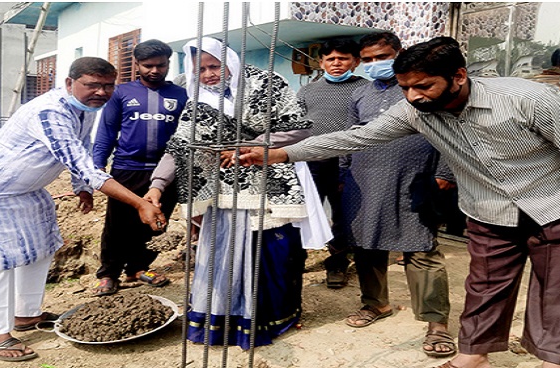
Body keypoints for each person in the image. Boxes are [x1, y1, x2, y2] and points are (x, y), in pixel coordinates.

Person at [237, 37, 560, 368]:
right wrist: (281, 154)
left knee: (559, 291)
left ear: (459, 77)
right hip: (487, 210)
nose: (414, 96)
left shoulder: (528, 99)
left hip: (558, 207)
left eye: (424, 86)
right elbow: (355, 138)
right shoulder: (415, 110)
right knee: (484, 287)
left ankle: (552, 361)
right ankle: (473, 357)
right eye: (406, 88)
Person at [0, 57, 169, 362]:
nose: (101, 92)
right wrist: (138, 202)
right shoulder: (50, 111)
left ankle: (26, 315)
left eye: (108, 86)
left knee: (41, 250)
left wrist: (81, 188)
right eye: (92, 84)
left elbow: (82, 149)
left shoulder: (86, 109)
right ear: (70, 84)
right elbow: (79, 160)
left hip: (29, 190)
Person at [144, 37, 330, 350]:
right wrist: (156, 185)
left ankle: (275, 319)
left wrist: (252, 146)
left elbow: (300, 127)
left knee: (270, 253)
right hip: (223, 190)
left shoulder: (266, 83)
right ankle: (220, 322)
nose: (208, 74)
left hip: (270, 182)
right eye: (200, 69)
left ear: (229, 61)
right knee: (222, 252)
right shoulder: (198, 100)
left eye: (214, 65)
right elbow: (180, 146)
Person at [341, 31, 456, 358]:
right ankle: (375, 304)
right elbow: (351, 137)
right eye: (368, 60)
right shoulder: (360, 93)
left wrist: (445, 172)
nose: (376, 64)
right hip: (363, 179)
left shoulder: (422, 87)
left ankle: (436, 323)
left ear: (399, 53)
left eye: (382, 57)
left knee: (421, 248)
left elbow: (450, 132)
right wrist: (343, 174)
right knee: (366, 244)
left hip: (415, 179)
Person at [91, 39, 188, 296]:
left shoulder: (180, 95)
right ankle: (109, 273)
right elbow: (107, 132)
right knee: (118, 223)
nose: (154, 71)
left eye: (161, 65)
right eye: (147, 66)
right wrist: (97, 165)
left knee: (156, 222)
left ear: (169, 64)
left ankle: (138, 268)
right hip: (126, 170)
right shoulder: (122, 93)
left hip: (166, 172)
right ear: (136, 64)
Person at [296, 37, 369, 289]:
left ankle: (337, 263)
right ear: (321, 62)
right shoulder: (307, 90)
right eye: (331, 59)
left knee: (343, 215)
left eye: (343, 58)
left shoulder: (365, 89)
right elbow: (296, 126)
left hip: (350, 162)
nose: (337, 63)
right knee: (303, 212)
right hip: (312, 161)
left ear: (355, 62)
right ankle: (297, 258)